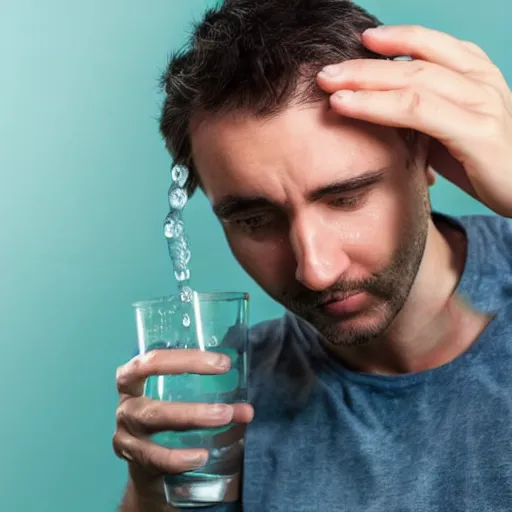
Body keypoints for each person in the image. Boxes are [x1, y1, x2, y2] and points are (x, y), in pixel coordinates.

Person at [113, 0, 512, 510]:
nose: (316, 271)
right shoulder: (225, 403)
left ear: (424, 154)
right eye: (254, 220)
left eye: (346, 198)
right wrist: (152, 497)